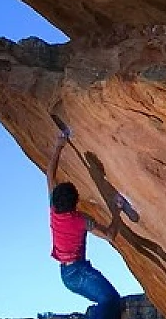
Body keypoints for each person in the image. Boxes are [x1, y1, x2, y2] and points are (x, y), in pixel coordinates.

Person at [46, 129, 121, 319]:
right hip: (77, 272)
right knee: (110, 300)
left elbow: (49, 176)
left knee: (107, 302)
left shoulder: (55, 210)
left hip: (68, 273)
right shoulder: (80, 221)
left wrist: (59, 146)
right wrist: (117, 210)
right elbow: (110, 235)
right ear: (75, 203)